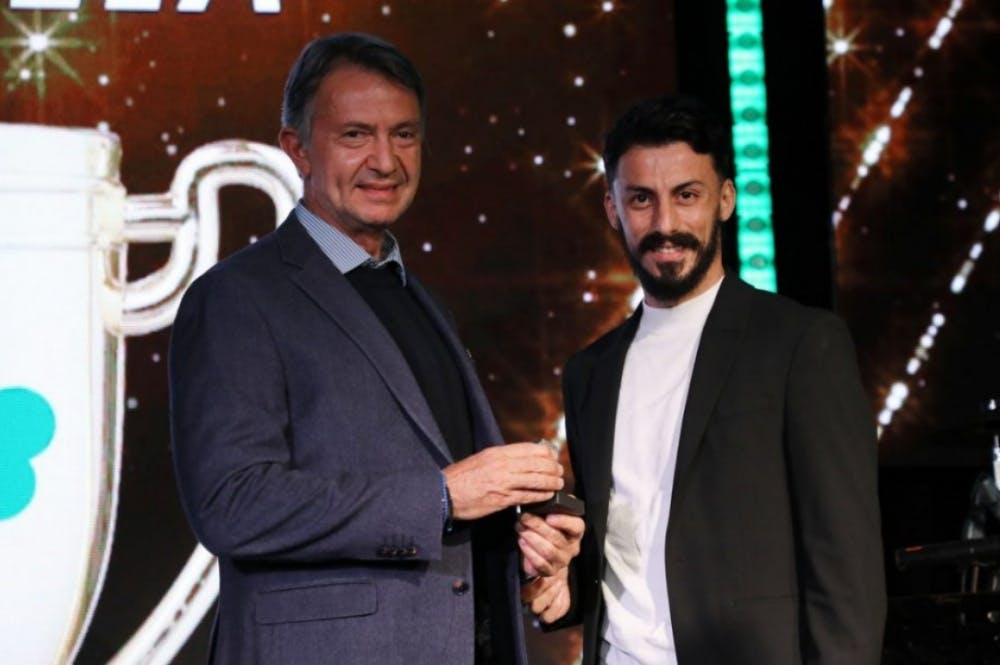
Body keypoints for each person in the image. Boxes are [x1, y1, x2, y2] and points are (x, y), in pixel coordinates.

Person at [169, 33, 583, 665]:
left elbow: (449, 509)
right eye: (356, 135)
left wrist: (524, 546)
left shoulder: (420, 299)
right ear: (297, 149)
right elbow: (233, 503)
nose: (385, 161)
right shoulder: (236, 297)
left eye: (404, 134)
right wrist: (440, 497)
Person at [523, 95, 886, 664]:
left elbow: (847, 569)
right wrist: (564, 584)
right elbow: (625, 546)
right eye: (641, 199)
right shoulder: (590, 372)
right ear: (613, 208)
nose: (665, 224)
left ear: (726, 200)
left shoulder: (800, 343)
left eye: (686, 195)